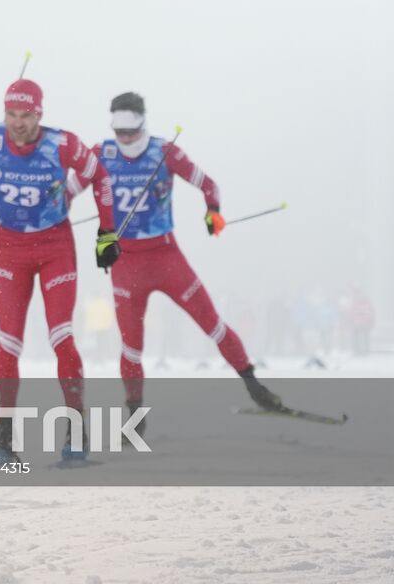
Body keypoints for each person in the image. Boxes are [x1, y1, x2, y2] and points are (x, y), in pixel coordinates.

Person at [75, 92, 280, 421]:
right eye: (119, 131)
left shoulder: (165, 152)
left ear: (143, 124)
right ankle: (135, 416)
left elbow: (209, 185)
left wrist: (213, 212)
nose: (125, 138)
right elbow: (69, 189)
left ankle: (255, 386)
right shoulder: (101, 153)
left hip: (166, 258)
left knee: (212, 324)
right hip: (125, 263)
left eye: (131, 131)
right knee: (131, 348)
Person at [0, 80, 118, 461]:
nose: (18, 124)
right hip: (9, 249)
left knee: (62, 337)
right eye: (11, 114)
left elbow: (100, 175)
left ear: (40, 114)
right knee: (8, 342)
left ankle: (76, 432)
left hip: (55, 246)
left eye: (26, 116)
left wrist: (106, 233)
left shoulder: (61, 144)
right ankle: (6, 440)